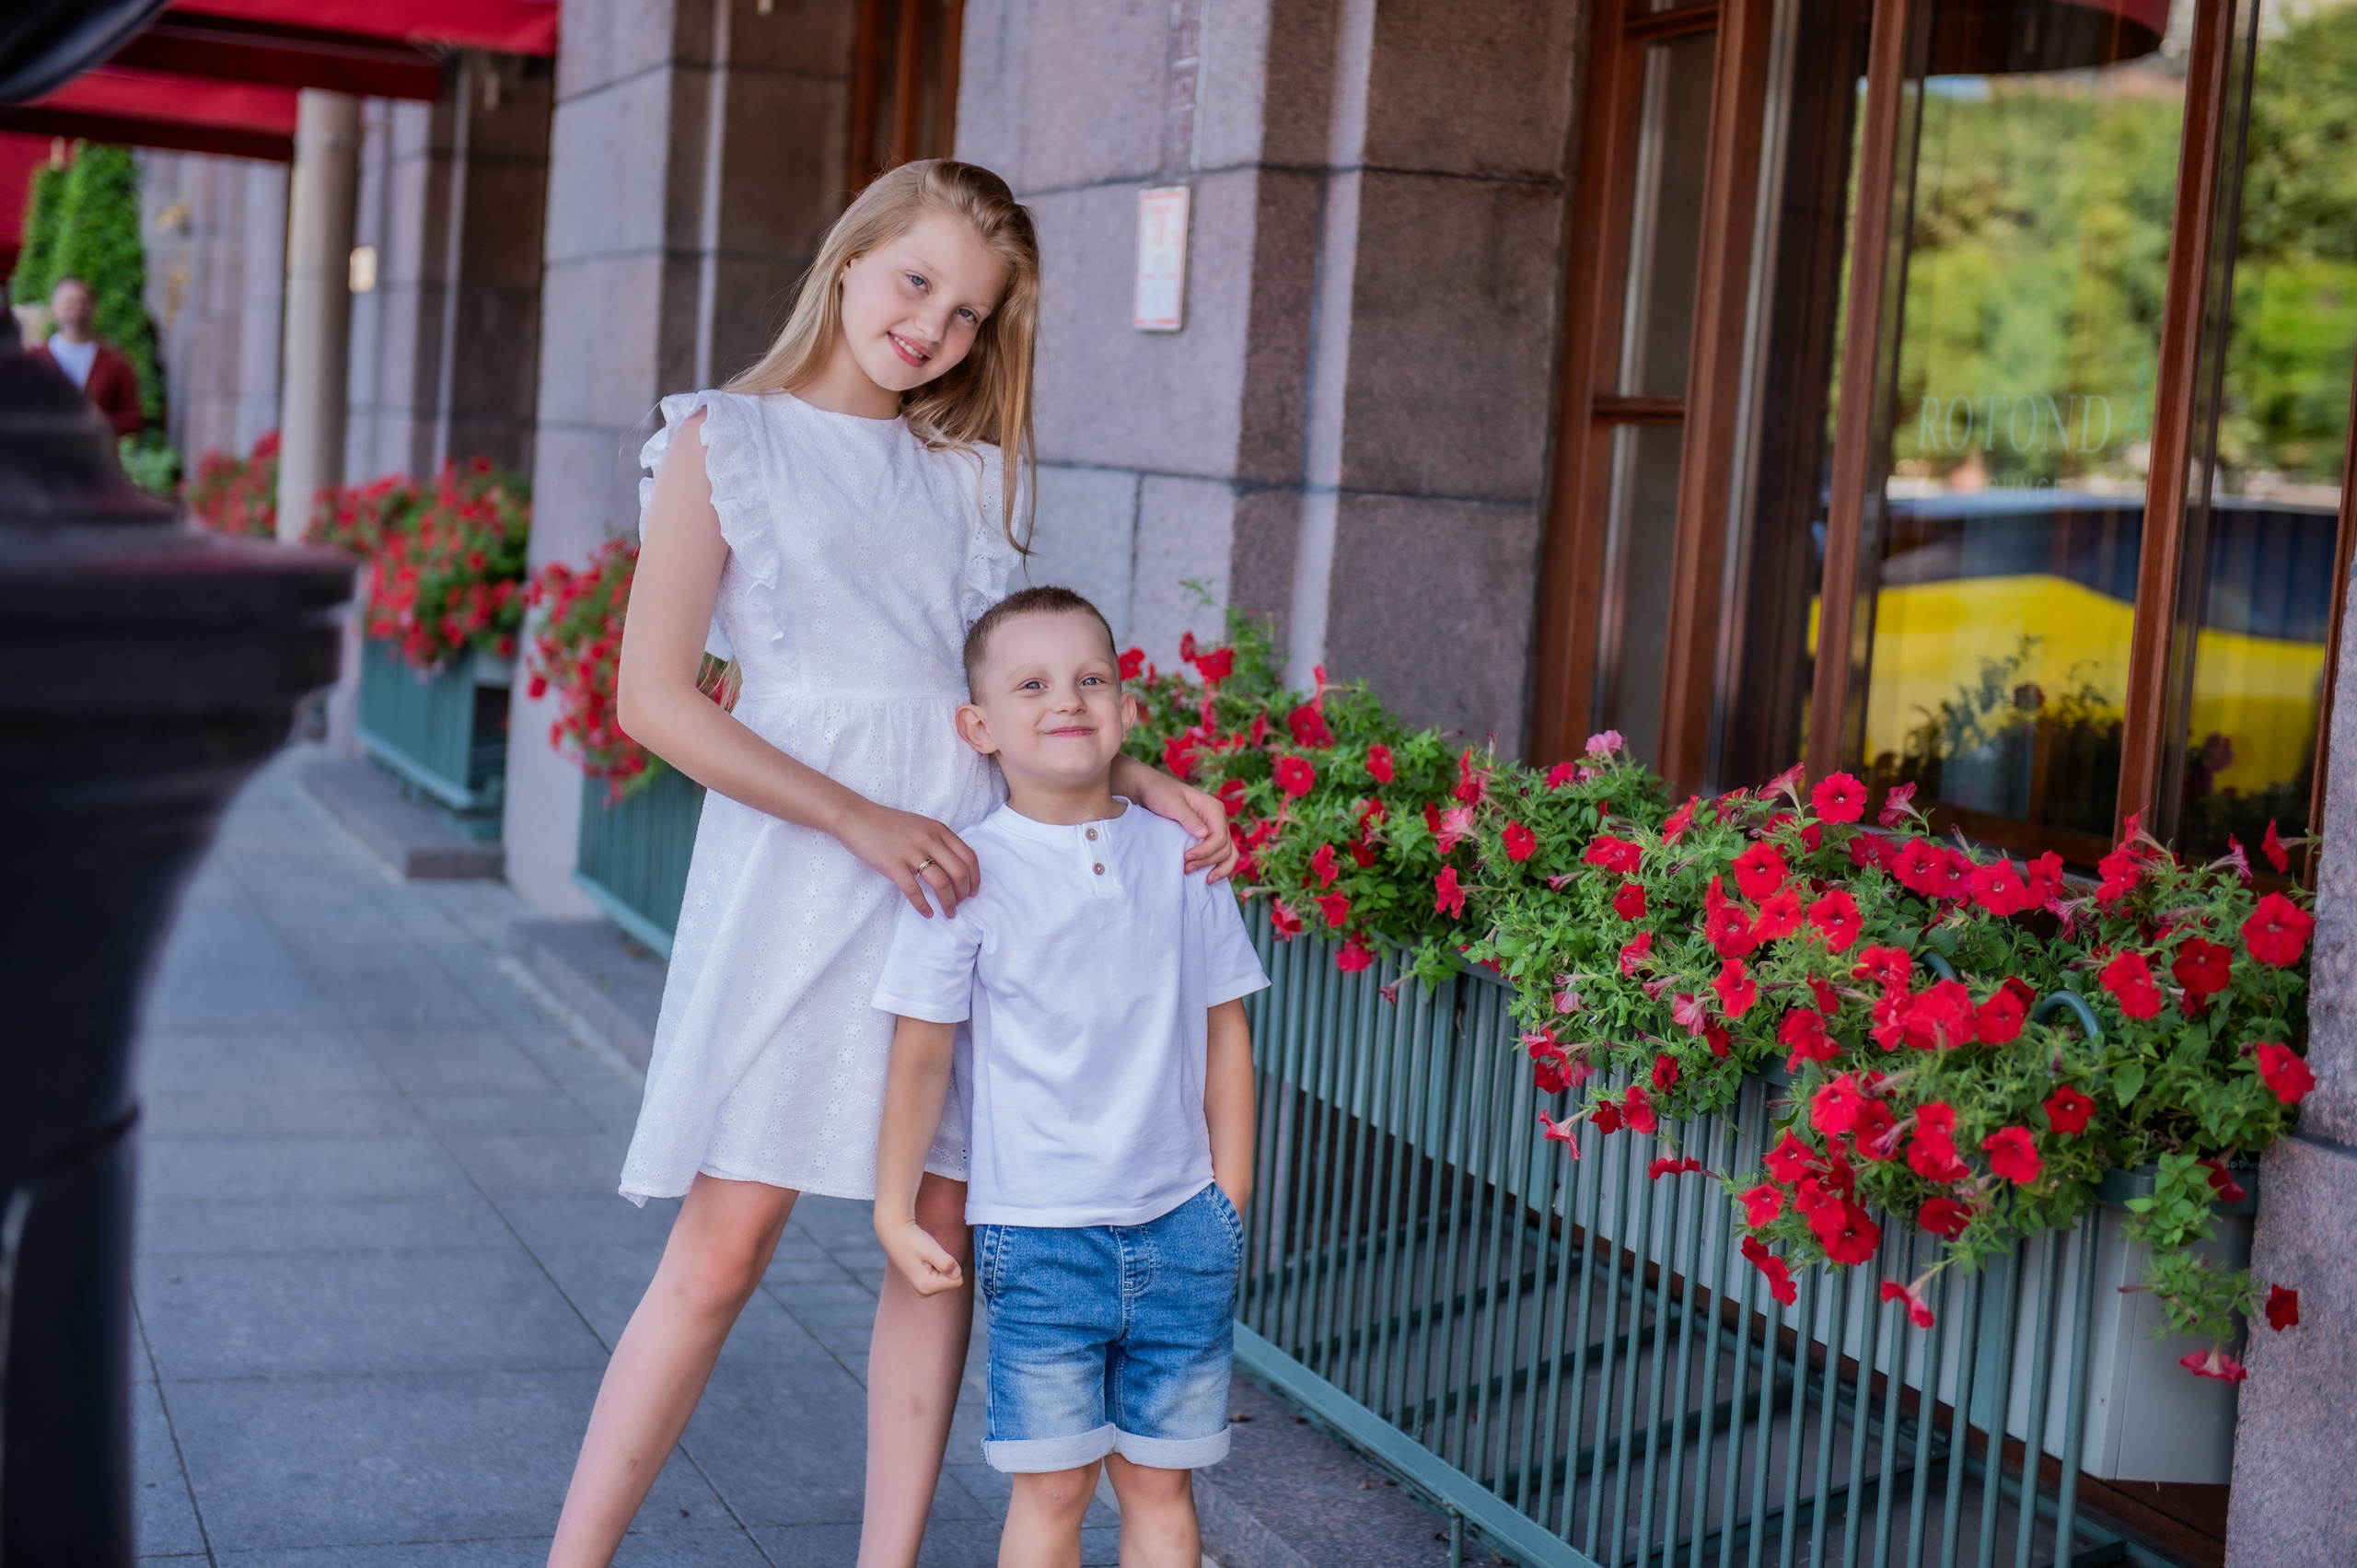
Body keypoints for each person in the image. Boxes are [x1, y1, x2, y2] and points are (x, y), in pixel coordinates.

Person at [546, 160, 1236, 1568]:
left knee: (937, 1245)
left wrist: (1140, 773)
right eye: (917, 281)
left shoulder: (961, 475)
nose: (932, 327)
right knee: (723, 1246)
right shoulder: (724, 439)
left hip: (967, 889)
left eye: (970, 314)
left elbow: (1007, 695)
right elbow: (655, 698)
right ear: (851, 257)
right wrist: (856, 818)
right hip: (808, 870)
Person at [871, 586, 1267, 1568]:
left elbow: (1227, 1033)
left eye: (1092, 679)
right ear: (981, 725)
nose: (1067, 701)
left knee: (1159, 1484)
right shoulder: (966, 873)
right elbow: (920, 1054)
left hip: (1182, 1221)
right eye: (1033, 683)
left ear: (1128, 708)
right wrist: (893, 1205)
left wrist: (1230, 1192)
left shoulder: (1181, 852)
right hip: (1041, 1236)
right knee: (1051, 1487)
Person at [29, 276, 142, 437]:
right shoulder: (33, 358)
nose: (76, 309)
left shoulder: (115, 362)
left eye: (82, 302)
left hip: (94, 458)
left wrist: (102, 422)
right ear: (53, 309)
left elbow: (133, 418)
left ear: (94, 308)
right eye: (68, 303)